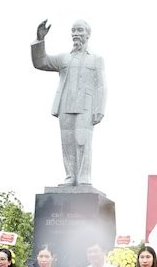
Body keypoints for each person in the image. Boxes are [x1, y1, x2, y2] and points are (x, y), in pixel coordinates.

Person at [32, 19, 106, 186]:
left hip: (86, 106)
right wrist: (40, 39)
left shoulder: (96, 59)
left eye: (79, 30)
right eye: (73, 31)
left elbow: (101, 86)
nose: (75, 34)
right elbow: (41, 62)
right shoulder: (63, 58)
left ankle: (84, 177)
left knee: (82, 141)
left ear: (88, 34)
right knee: (67, 143)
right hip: (65, 105)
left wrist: (100, 109)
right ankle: (70, 176)